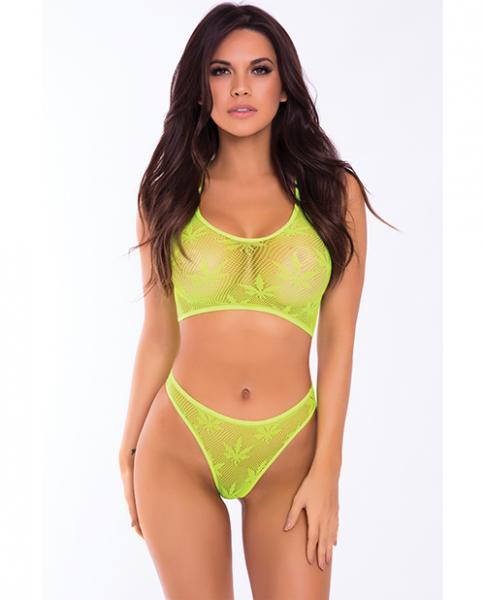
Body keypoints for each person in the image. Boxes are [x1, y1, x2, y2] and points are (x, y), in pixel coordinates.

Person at [119, 3, 394, 598]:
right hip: (179, 444)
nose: (240, 87)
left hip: (291, 450)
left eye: (259, 69)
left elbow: (339, 340)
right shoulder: (166, 195)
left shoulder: (332, 193)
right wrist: (128, 447)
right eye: (221, 71)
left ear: (284, 86)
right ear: (201, 89)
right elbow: (159, 332)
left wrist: (328, 470)